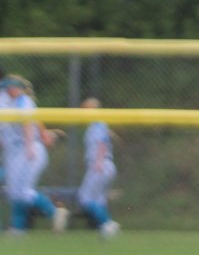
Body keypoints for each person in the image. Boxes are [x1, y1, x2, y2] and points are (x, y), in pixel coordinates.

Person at [1, 76, 68, 234]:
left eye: (11, 87)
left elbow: (28, 125)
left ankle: (55, 212)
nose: (8, 90)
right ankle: (18, 228)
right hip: (16, 151)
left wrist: (30, 146)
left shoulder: (23, 101)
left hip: (28, 149)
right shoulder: (9, 104)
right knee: (14, 192)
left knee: (22, 191)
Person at [77, 98, 120, 239]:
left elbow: (102, 142)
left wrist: (99, 161)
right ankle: (105, 227)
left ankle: (107, 223)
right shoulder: (95, 125)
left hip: (101, 164)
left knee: (85, 197)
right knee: (98, 199)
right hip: (103, 164)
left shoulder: (98, 124)